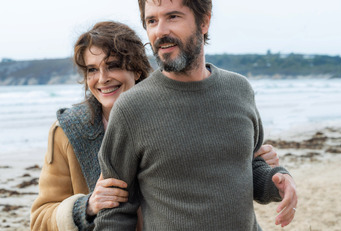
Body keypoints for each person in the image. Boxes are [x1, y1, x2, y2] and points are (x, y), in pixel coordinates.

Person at [94, 0, 297, 230]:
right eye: (152, 21)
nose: (160, 31)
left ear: (204, 21)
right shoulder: (132, 108)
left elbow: (250, 167)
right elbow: (114, 211)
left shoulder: (240, 90)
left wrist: (279, 181)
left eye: (173, 17)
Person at [30, 21, 152, 231]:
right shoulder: (66, 132)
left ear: (137, 70)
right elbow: (39, 220)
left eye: (113, 65)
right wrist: (86, 206)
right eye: (92, 70)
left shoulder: (166, 122)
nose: (102, 79)